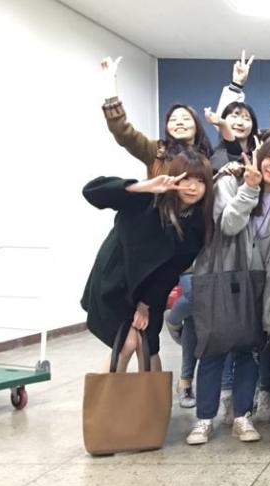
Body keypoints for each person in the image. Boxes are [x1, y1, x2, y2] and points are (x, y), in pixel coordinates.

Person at [185, 132, 270, 446]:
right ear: (258, 155)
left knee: (249, 351)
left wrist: (269, 308)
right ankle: (205, 419)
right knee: (213, 349)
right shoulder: (228, 184)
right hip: (221, 277)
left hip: (256, 285)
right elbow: (228, 225)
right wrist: (249, 188)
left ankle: (242, 416)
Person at [81, 151, 213, 373]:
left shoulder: (197, 225)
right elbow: (92, 191)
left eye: (200, 181)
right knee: (126, 343)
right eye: (186, 179)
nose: (192, 187)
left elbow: (170, 273)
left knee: (148, 345)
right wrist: (143, 186)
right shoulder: (147, 198)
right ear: (174, 177)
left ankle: (152, 396)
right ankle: (107, 395)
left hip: (151, 291)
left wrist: (145, 305)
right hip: (115, 282)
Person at [100, 56, 214, 177]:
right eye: (173, 120)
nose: (179, 122)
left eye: (185, 118)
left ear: (197, 126)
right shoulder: (157, 151)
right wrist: (110, 88)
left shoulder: (209, 156)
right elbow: (124, 133)